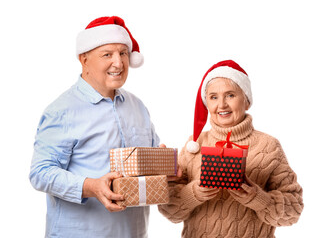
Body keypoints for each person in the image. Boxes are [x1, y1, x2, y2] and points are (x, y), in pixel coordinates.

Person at [29, 16, 160, 238]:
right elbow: (40, 173)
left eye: (123, 53)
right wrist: (91, 186)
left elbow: (152, 164)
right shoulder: (62, 110)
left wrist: (165, 166)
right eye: (107, 54)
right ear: (84, 60)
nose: (118, 63)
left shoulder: (138, 106)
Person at [158, 60, 304, 237]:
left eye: (230, 95)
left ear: (247, 101)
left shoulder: (269, 146)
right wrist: (194, 192)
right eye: (213, 97)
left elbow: (294, 210)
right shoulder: (194, 145)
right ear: (207, 103)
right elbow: (169, 211)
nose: (222, 105)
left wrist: (257, 198)